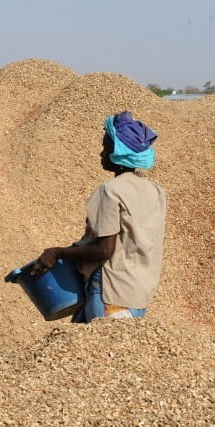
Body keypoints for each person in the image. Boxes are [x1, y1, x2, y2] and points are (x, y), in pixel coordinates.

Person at [34, 111, 166, 323]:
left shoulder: (110, 191)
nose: (101, 153)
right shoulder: (156, 191)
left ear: (118, 153)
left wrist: (57, 252)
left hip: (111, 292)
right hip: (140, 292)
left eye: (106, 147)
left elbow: (104, 250)